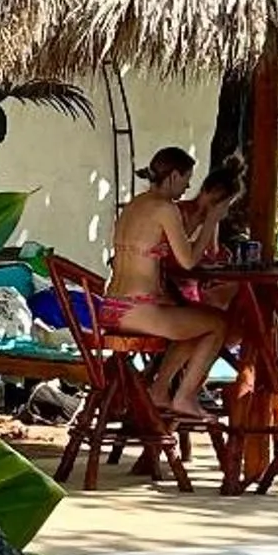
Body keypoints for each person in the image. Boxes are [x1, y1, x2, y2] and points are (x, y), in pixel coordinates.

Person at [108, 146, 234, 418]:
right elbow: (188, 261)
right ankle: (185, 397)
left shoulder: (135, 204)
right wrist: (211, 221)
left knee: (194, 321)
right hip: (137, 310)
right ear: (174, 175)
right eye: (187, 178)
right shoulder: (166, 209)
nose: (188, 186)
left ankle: (160, 390)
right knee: (218, 324)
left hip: (112, 305)